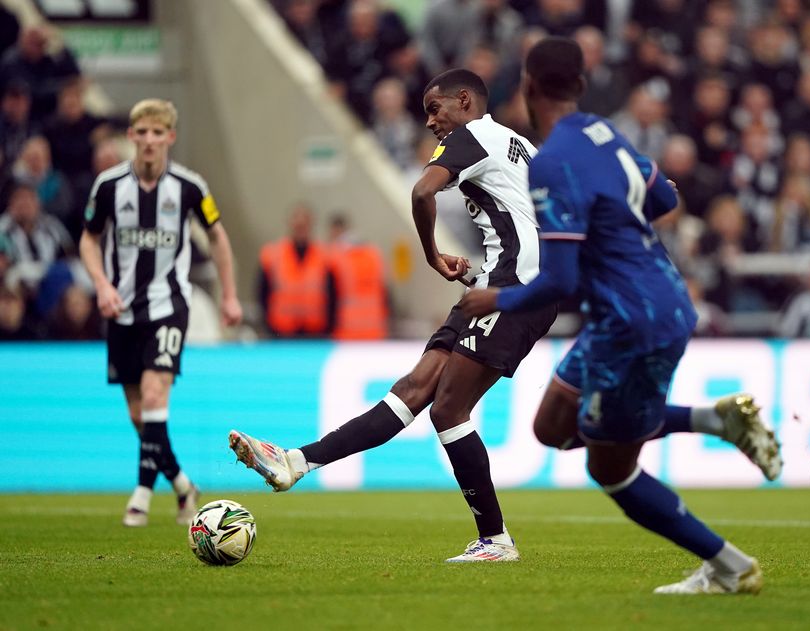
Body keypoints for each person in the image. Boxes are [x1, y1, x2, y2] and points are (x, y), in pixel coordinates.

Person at [460, 36, 771, 594]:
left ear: (527, 87)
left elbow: (560, 279)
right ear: (580, 86)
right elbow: (665, 200)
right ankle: (716, 420)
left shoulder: (551, 162)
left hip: (632, 317)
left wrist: (495, 299)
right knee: (552, 426)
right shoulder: (606, 135)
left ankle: (728, 566)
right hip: (656, 303)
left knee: (610, 467)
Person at [230, 68, 556, 563]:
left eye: (434, 108)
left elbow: (422, 192)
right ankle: (296, 462)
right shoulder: (517, 144)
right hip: (499, 285)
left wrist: (431, 254)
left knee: (448, 409)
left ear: (464, 100)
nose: (429, 122)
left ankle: (496, 539)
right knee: (415, 389)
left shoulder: (471, 135)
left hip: (514, 291)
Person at [78, 99, 243, 527]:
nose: (149, 141)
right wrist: (101, 284)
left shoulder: (190, 187)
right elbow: (89, 240)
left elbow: (219, 238)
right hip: (121, 311)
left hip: (170, 307)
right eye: (142, 133)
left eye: (158, 133)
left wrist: (229, 296)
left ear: (170, 138)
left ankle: (141, 494)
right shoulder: (109, 186)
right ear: (131, 137)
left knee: (155, 397)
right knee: (140, 415)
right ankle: (184, 485)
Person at [258, 203, 335, 338]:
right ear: (290, 224)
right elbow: (262, 293)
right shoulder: (273, 255)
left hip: (315, 333)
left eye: (304, 224)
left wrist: (329, 328)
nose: (300, 228)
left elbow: (334, 294)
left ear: (311, 225)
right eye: (297, 224)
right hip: (281, 332)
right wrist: (268, 325)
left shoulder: (325, 256)